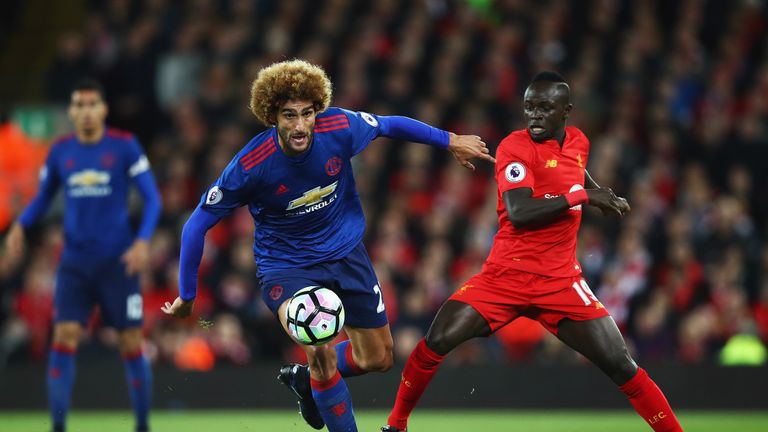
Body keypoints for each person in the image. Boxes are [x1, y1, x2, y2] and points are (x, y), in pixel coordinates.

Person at [161, 59, 494, 432]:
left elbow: (389, 125)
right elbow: (195, 226)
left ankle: (306, 380)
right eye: (289, 115)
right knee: (319, 342)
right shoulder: (251, 165)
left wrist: (450, 140)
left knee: (378, 358)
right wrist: (188, 296)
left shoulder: (340, 127)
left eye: (307, 114)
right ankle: (322, 383)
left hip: (347, 254)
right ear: (272, 116)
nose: (300, 125)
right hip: (288, 268)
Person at [382, 72, 683, 432]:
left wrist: (598, 191)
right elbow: (520, 212)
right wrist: (584, 196)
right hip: (504, 276)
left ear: (566, 111)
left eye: (544, 108)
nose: (535, 116)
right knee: (436, 340)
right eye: (529, 108)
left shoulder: (579, 142)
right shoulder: (514, 147)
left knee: (622, 365)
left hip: (560, 280)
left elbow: (573, 171)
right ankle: (395, 425)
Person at [4, 79, 162, 432]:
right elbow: (44, 196)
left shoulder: (124, 147)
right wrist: (20, 224)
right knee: (63, 337)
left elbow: (152, 198)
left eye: (93, 104)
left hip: (118, 262)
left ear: (103, 109)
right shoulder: (61, 151)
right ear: (73, 111)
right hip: (74, 264)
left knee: (130, 340)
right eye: (80, 104)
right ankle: (58, 426)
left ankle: (142, 426)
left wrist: (142, 241)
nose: (87, 111)